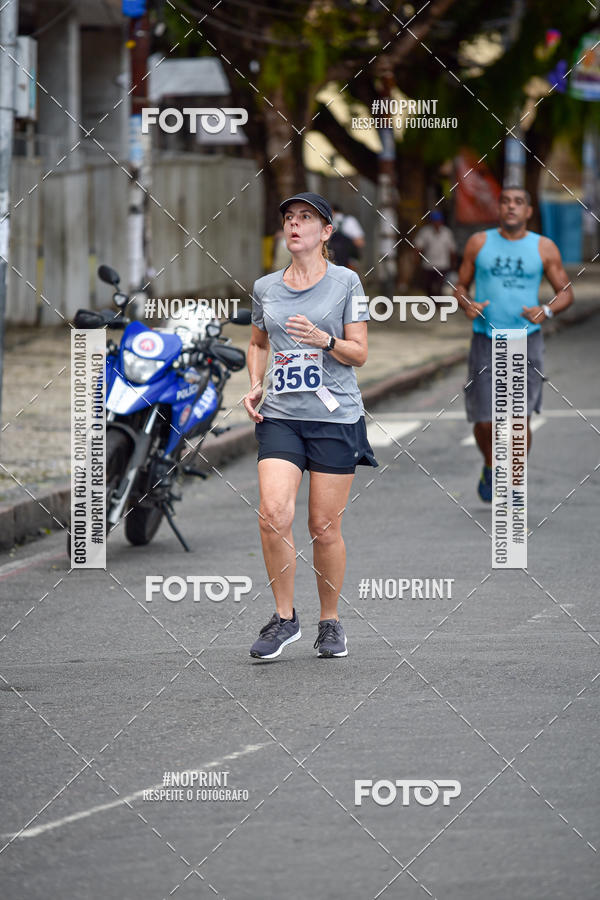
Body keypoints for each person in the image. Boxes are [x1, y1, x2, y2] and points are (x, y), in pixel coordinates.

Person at [243, 191, 378, 660]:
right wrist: (256, 383)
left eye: (306, 218)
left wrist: (326, 339)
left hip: (335, 417)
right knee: (272, 513)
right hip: (282, 415)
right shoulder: (265, 287)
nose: (294, 225)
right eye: (289, 218)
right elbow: (258, 341)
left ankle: (330, 621)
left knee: (323, 527)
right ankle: (284, 619)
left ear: (326, 232)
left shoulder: (346, 283)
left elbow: (359, 352)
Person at [454, 185, 574, 502]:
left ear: (528, 211)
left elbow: (566, 292)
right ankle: (491, 465)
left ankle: (516, 481)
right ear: (499, 209)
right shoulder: (479, 243)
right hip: (485, 339)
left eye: (518, 202)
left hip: (525, 341)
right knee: (483, 420)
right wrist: (467, 304)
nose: (511, 207)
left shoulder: (544, 247)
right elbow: (461, 284)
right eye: (505, 202)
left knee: (519, 418)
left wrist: (546, 310)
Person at [414, 210, 457, 296]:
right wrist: (417, 260)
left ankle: (438, 304)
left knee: (440, 285)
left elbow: (451, 249)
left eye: (439, 221)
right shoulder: (425, 232)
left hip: (443, 264)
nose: (437, 223)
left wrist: (453, 262)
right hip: (428, 265)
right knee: (429, 286)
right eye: (435, 221)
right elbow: (418, 247)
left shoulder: (447, 232)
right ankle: (431, 303)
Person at [330, 203, 365, 270]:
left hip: (332, 263)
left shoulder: (327, 222)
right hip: (348, 263)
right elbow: (360, 242)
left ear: (332, 211)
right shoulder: (350, 221)